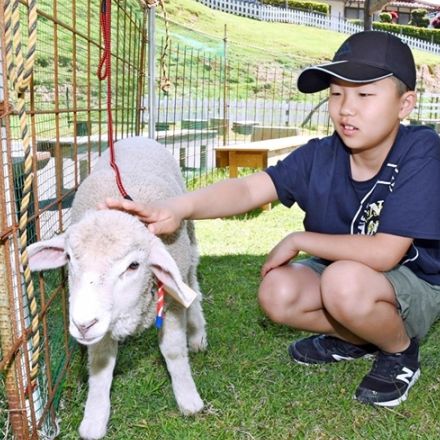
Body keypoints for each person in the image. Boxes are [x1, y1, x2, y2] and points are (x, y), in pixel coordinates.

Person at [100, 31, 440, 407]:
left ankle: (399, 351)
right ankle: (358, 337)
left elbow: (386, 253)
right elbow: (247, 191)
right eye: (336, 94)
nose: (346, 109)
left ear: (405, 104)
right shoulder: (320, 155)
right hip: (351, 280)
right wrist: (178, 208)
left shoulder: (420, 151)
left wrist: (299, 240)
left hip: (414, 286)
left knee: (343, 282)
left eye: (364, 95)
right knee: (276, 293)